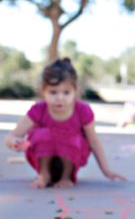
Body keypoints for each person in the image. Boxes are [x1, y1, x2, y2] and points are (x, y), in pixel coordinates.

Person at [4, 58, 127, 189]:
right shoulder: (38, 110)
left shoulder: (83, 111)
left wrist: (106, 170)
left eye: (66, 92)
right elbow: (11, 136)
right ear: (43, 91)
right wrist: (14, 142)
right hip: (43, 158)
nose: (59, 98)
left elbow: (94, 142)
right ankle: (44, 175)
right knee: (41, 134)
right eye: (53, 92)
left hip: (72, 157)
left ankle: (66, 177)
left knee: (72, 137)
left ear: (75, 90)